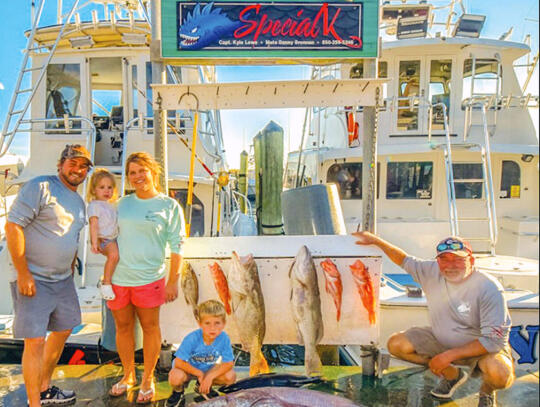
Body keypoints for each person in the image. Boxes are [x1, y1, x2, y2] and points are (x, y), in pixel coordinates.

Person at [353, 232, 514, 407]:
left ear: (472, 261)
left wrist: (448, 355)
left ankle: (487, 391)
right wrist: (376, 241)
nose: (451, 265)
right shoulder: (430, 271)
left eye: (458, 259)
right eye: (444, 259)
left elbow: (494, 341)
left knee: (500, 375)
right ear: (437, 261)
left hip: (482, 349)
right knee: (396, 344)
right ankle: (452, 375)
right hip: (441, 339)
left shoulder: (489, 288)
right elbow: (403, 259)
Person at [4, 144, 92, 407]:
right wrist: (23, 274)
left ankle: (44, 387)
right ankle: (35, 403)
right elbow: (13, 226)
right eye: (73, 163)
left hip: (62, 279)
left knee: (64, 329)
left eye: (83, 166)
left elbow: (69, 235)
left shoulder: (77, 200)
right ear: (61, 163)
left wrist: (71, 260)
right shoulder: (40, 186)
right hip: (34, 277)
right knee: (34, 341)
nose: (77, 169)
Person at [108, 152, 185, 404]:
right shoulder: (121, 204)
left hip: (150, 278)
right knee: (123, 327)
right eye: (132, 173)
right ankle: (128, 374)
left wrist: (173, 280)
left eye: (142, 170)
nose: (138, 176)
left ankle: (147, 378)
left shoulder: (169, 205)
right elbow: (107, 236)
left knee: (151, 328)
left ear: (153, 172)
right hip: (119, 278)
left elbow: (177, 245)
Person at [166, 300, 236, 407]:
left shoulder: (224, 338)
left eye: (217, 323)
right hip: (188, 370)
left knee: (230, 376)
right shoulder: (192, 338)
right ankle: (178, 392)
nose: (212, 328)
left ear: (224, 324)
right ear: (200, 324)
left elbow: (229, 363)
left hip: (207, 369)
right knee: (175, 377)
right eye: (207, 323)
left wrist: (210, 377)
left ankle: (203, 386)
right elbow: (179, 363)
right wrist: (199, 374)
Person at [87, 168, 119, 300]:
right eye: (102, 187)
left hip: (113, 237)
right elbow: (93, 224)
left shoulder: (110, 205)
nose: (107, 191)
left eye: (110, 187)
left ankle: (112, 279)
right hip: (104, 239)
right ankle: (106, 283)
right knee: (113, 255)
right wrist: (94, 242)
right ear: (94, 190)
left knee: (117, 257)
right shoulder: (95, 205)